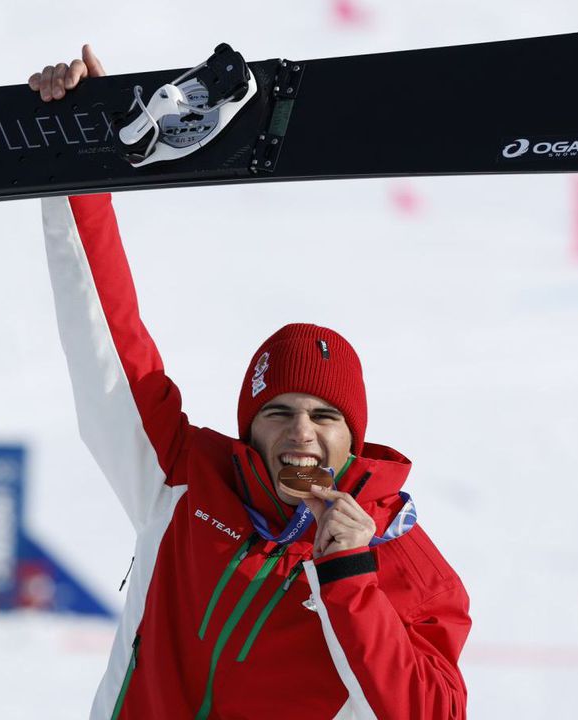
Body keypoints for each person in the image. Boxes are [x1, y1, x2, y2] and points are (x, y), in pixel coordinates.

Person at [31, 45, 471, 719]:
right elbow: (107, 344)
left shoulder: (403, 561)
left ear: (354, 436)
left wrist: (349, 577)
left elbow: (432, 712)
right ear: (249, 429)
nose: (301, 433)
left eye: (324, 416)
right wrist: (78, 158)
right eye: (278, 412)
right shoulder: (182, 479)